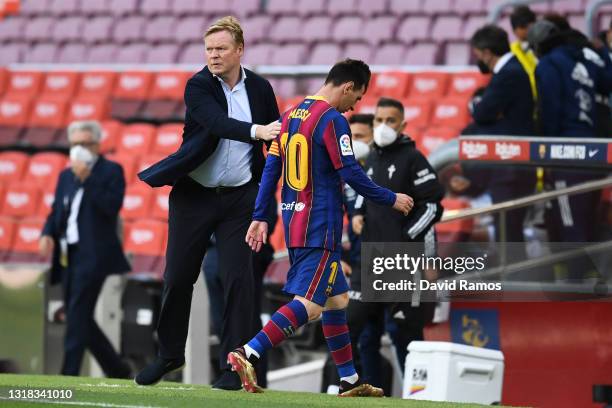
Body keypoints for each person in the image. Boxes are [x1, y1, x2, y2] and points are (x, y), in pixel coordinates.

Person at [226, 59, 414, 396]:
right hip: (321, 224)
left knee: (337, 300)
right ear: (347, 87)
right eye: (356, 98)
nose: (354, 105)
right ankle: (247, 352)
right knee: (311, 305)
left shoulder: (288, 117)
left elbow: (271, 170)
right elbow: (351, 173)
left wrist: (261, 216)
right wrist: (390, 198)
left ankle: (349, 381)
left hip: (294, 220)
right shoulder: (331, 120)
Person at [135, 16, 281, 389]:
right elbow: (217, 123)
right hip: (195, 196)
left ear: (239, 50)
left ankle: (233, 367)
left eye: (220, 49)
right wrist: (256, 131)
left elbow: (275, 142)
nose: (213, 55)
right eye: (209, 49)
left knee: (238, 280)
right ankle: (168, 355)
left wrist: (267, 201)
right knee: (178, 278)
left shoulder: (261, 89)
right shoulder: (198, 85)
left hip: (240, 197)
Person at [352, 97, 444, 381]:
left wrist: (407, 239)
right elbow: (364, 193)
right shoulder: (371, 158)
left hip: (403, 260)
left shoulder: (413, 159)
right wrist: (357, 213)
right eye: (379, 120)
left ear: (402, 124)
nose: (383, 126)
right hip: (371, 259)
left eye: (390, 121)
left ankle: (418, 395)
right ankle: (370, 394)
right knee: (363, 331)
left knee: (405, 335)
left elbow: (433, 207)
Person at [39, 120, 131, 378]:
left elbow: (111, 207)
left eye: (85, 144)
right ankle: (118, 370)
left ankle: (68, 374)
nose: (79, 149)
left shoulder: (111, 171)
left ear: (97, 145)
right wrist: (47, 233)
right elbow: (57, 210)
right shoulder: (65, 175)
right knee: (78, 316)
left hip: (95, 255)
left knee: (77, 313)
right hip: (69, 255)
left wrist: (88, 180)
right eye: (75, 144)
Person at [530, 20, 611, 246]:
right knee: (589, 222)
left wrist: (546, 151)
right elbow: (608, 82)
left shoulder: (548, 64)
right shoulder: (584, 58)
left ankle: (573, 281)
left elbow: (550, 109)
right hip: (594, 149)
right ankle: (589, 278)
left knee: (570, 225)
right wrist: (604, 49)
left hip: (566, 152)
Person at [468, 24, 536, 244]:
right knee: (509, 230)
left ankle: (514, 278)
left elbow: (481, 112)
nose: (477, 57)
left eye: (477, 53)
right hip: (511, 165)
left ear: (486, 52)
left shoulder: (509, 74)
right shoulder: (511, 71)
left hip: (511, 168)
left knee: (508, 232)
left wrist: (480, 107)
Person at [510, 5, 538, 100]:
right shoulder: (510, 52)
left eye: (529, 26)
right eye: (522, 27)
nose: (527, 30)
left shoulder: (544, 47)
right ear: (515, 30)